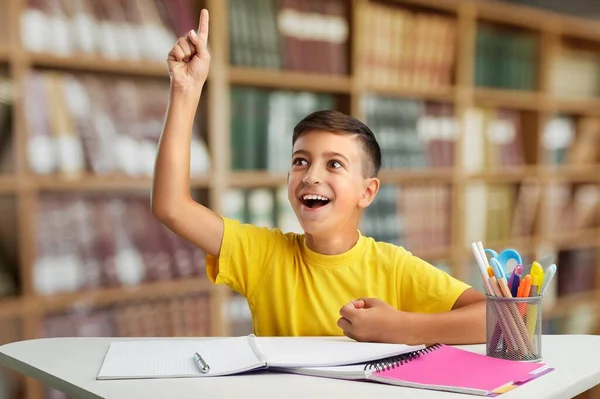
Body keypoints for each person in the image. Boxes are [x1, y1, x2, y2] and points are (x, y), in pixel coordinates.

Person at [151, 9, 486, 346]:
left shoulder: (394, 267)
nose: (311, 175)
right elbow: (172, 207)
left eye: (334, 165)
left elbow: (500, 316)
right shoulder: (263, 256)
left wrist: (398, 328)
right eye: (300, 161)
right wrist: (186, 88)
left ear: (367, 192)